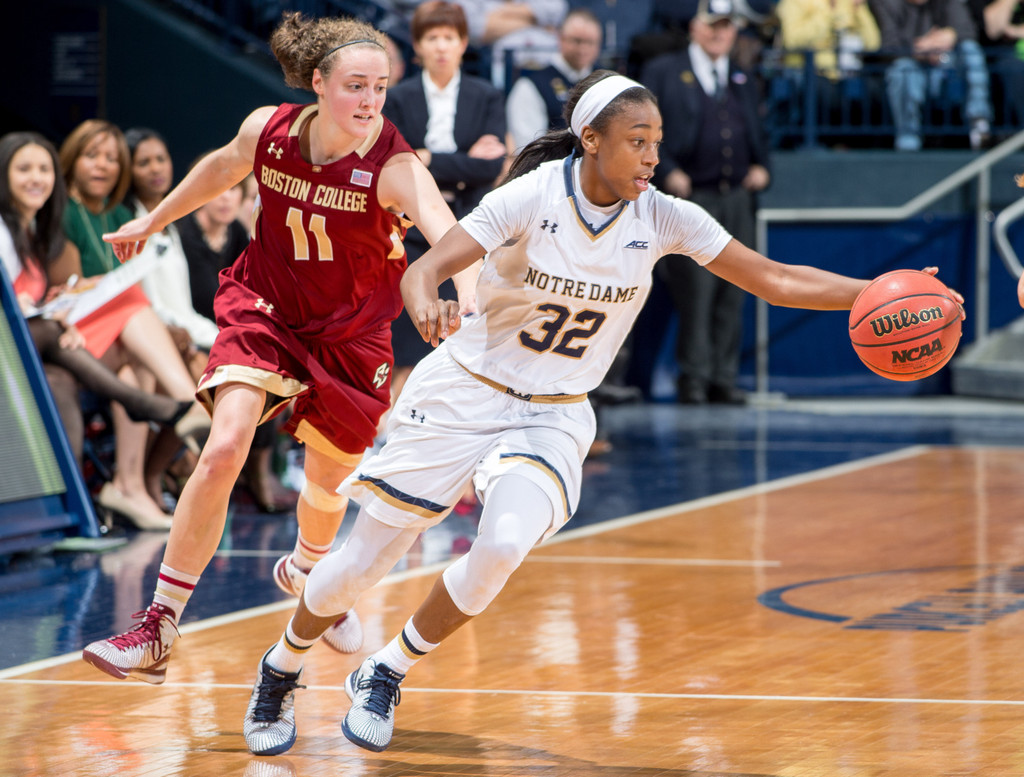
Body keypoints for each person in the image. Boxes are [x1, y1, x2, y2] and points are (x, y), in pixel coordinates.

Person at [238, 70, 961, 757]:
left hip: (551, 411)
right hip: (467, 389)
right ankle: (281, 665)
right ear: (591, 139)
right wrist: (424, 290)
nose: (652, 155)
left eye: (657, 140)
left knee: (499, 546)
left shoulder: (666, 215)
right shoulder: (530, 196)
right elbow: (430, 261)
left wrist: (876, 291)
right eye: (637, 140)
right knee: (355, 569)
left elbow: (773, 278)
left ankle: (386, 670)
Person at [80, 12, 471, 683]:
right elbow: (222, 166)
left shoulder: (395, 165)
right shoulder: (271, 128)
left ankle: (309, 568)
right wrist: (157, 216)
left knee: (327, 480)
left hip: (351, 332)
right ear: (317, 83)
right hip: (266, 307)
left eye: (379, 87)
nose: (370, 101)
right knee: (225, 443)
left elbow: (448, 229)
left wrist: (463, 295)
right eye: (356, 86)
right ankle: (158, 624)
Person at [0, 132, 197, 493]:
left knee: (65, 380)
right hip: (11, 346)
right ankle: (161, 405)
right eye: (24, 168)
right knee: (128, 306)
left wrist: (54, 313)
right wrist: (44, 316)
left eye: (44, 169)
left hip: (40, 346)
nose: (36, 177)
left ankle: (75, 506)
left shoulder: (32, 232)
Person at [57, 119, 210, 530]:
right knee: (131, 300)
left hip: (117, 340)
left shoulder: (121, 213)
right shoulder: (62, 212)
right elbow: (62, 289)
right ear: (72, 160)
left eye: (112, 159)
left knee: (135, 367)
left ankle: (129, 486)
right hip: (72, 338)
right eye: (93, 156)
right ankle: (188, 402)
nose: (103, 166)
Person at [641, 0, 772, 404]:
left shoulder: (742, 76)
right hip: (690, 197)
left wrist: (763, 167)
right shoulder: (663, 72)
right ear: (695, 28)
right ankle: (693, 381)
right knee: (695, 293)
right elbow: (644, 129)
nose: (719, 33)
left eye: (727, 26)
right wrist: (667, 171)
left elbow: (757, 129)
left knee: (736, 290)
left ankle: (723, 379)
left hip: (735, 198)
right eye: (712, 25)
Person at [382, 0, 507, 414]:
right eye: (431, 38)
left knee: (468, 329)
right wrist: (463, 160)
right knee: (406, 338)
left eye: (448, 38)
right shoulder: (397, 98)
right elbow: (398, 165)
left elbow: (490, 166)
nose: (440, 47)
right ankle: (396, 428)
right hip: (413, 227)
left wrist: (431, 159)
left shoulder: (486, 95)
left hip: (473, 222)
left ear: (463, 43)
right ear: (417, 46)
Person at [868, 0, 993, 150]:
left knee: (970, 50)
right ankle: (908, 141)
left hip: (945, 66)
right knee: (902, 69)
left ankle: (979, 125)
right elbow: (889, 45)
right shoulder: (885, 3)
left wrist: (951, 35)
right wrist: (920, 49)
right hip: (911, 66)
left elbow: (968, 29)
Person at [505, 8, 603, 151]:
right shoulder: (532, 85)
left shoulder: (607, 82)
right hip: (554, 169)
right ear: (560, 38)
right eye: (577, 41)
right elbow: (528, 150)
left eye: (590, 42)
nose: (583, 48)